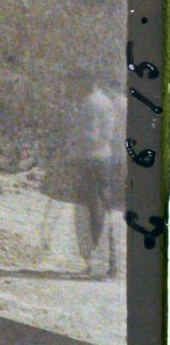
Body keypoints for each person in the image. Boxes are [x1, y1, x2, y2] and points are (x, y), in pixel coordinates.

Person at [61, 69, 123, 275]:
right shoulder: (101, 101)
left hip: (91, 160)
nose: (72, 89)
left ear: (85, 83)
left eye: (74, 85)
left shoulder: (91, 103)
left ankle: (100, 262)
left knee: (93, 210)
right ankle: (106, 262)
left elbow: (93, 136)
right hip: (98, 159)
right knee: (99, 208)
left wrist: (71, 139)